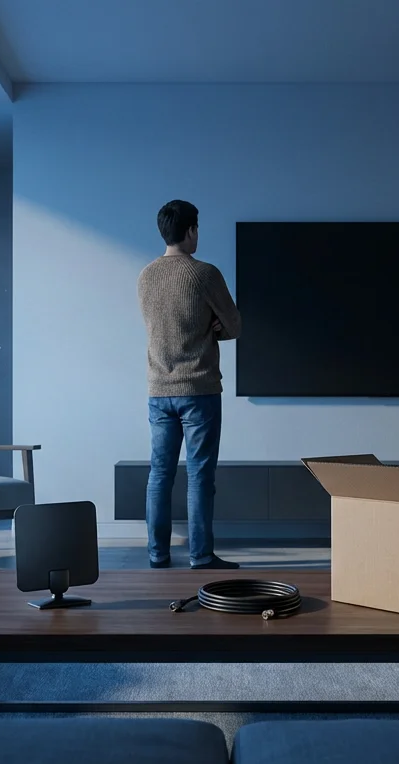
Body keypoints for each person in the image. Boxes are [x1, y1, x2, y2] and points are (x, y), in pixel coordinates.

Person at [136, 200, 242, 569]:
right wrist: (215, 325)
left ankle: (157, 554)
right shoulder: (204, 274)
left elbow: (160, 326)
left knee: (159, 473)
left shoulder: (145, 276)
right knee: (199, 475)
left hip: (158, 390)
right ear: (192, 230)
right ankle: (200, 555)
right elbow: (235, 325)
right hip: (199, 390)